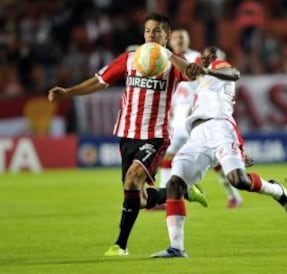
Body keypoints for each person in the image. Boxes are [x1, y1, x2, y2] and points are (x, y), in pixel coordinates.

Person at [47, 12, 206, 257]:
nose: (150, 35)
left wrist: (171, 56)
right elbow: (99, 81)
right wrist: (67, 92)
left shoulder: (173, 63)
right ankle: (181, 190)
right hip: (127, 134)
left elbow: (195, 74)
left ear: (166, 36)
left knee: (133, 179)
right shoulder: (131, 59)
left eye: (156, 31)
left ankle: (120, 245)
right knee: (138, 198)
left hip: (155, 136)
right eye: (147, 30)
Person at [150, 46, 287, 258]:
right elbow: (185, 70)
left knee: (238, 180)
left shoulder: (219, 69)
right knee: (175, 183)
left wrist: (208, 69)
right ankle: (176, 247)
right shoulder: (198, 80)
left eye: (212, 54)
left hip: (220, 127)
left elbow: (235, 74)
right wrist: (166, 54)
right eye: (205, 54)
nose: (207, 57)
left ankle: (276, 190)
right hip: (197, 134)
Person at [158, 30, 243, 209]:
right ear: (170, 41)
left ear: (189, 40)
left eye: (182, 37)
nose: (179, 41)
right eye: (175, 38)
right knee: (171, 156)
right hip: (178, 118)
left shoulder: (198, 58)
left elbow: (208, 79)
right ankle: (166, 196)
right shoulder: (169, 61)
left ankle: (232, 194)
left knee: (208, 157)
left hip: (197, 116)